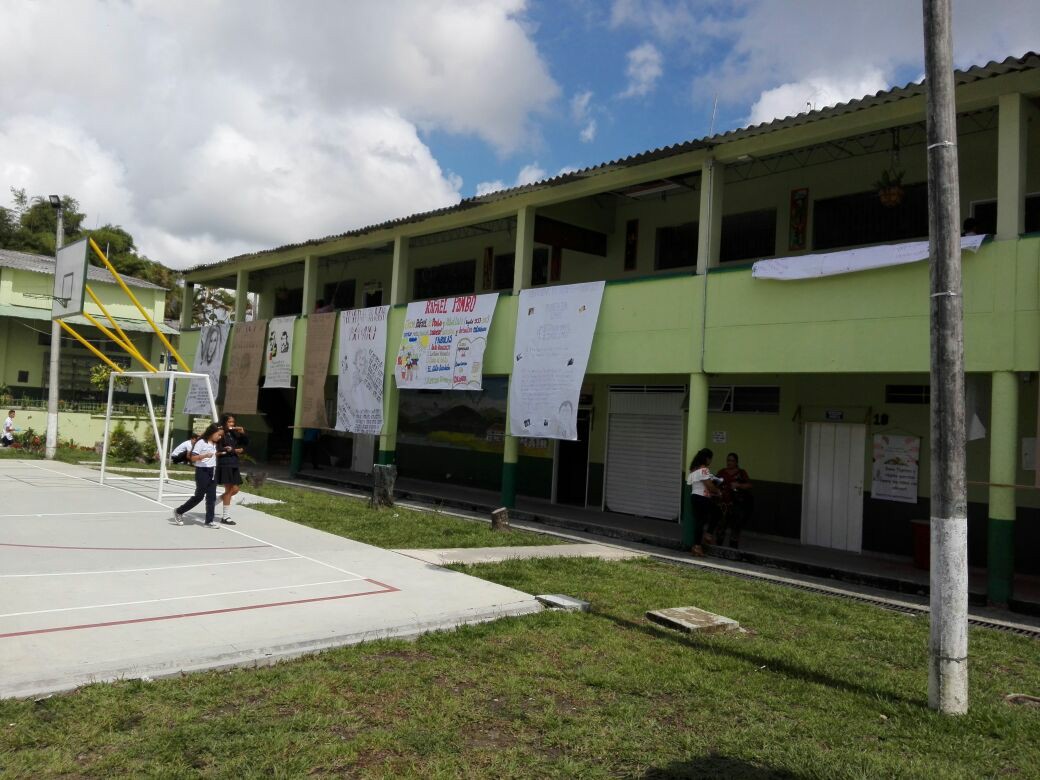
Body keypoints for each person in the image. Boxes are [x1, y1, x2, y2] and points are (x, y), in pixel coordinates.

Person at [172, 424, 223, 526]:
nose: (220, 437)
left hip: (212, 471)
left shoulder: (214, 443)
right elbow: (193, 458)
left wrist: (220, 453)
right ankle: (179, 511)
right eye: (218, 434)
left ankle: (209, 521)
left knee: (211, 497)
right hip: (202, 471)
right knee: (199, 496)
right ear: (212, 433)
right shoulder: (201, 442)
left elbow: (212, 455)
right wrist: (204, 455)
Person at [686, 448, 721, 556]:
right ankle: (708, 534)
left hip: (695, 496)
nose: (710, 461)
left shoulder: (694, 469)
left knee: (699, 522)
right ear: (707, 458)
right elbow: (709, 486)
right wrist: (718, 491)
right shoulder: (704, 469)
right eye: (710, 459)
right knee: (717, 512)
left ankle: (697, 546)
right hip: (703, 497)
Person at [216, 413, 248, 525]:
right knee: (229, 490)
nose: (232, 424)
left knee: (235, 490)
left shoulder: (233, 433)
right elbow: (219, 448)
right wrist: (234, 450)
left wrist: (242, 433)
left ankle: (214, 502)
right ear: (224, 422)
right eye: (229, 422)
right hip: (225, 463)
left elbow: (245, 443)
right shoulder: (220, 432)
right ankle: (225, 516)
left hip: (234, 463)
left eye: (233, 422)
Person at [716, 452, 753, 549]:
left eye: (732, 461)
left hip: (737, 505)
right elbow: (714, 484)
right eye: (728, 460)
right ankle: (718, 547)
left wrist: (738, 485)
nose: (729, 462)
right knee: (721, 526)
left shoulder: (741, 473)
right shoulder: (722, 472)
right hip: (724, 504)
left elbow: (749, 485)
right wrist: (718, 491)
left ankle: (733, 549)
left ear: (736, 462)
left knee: (736, 528)